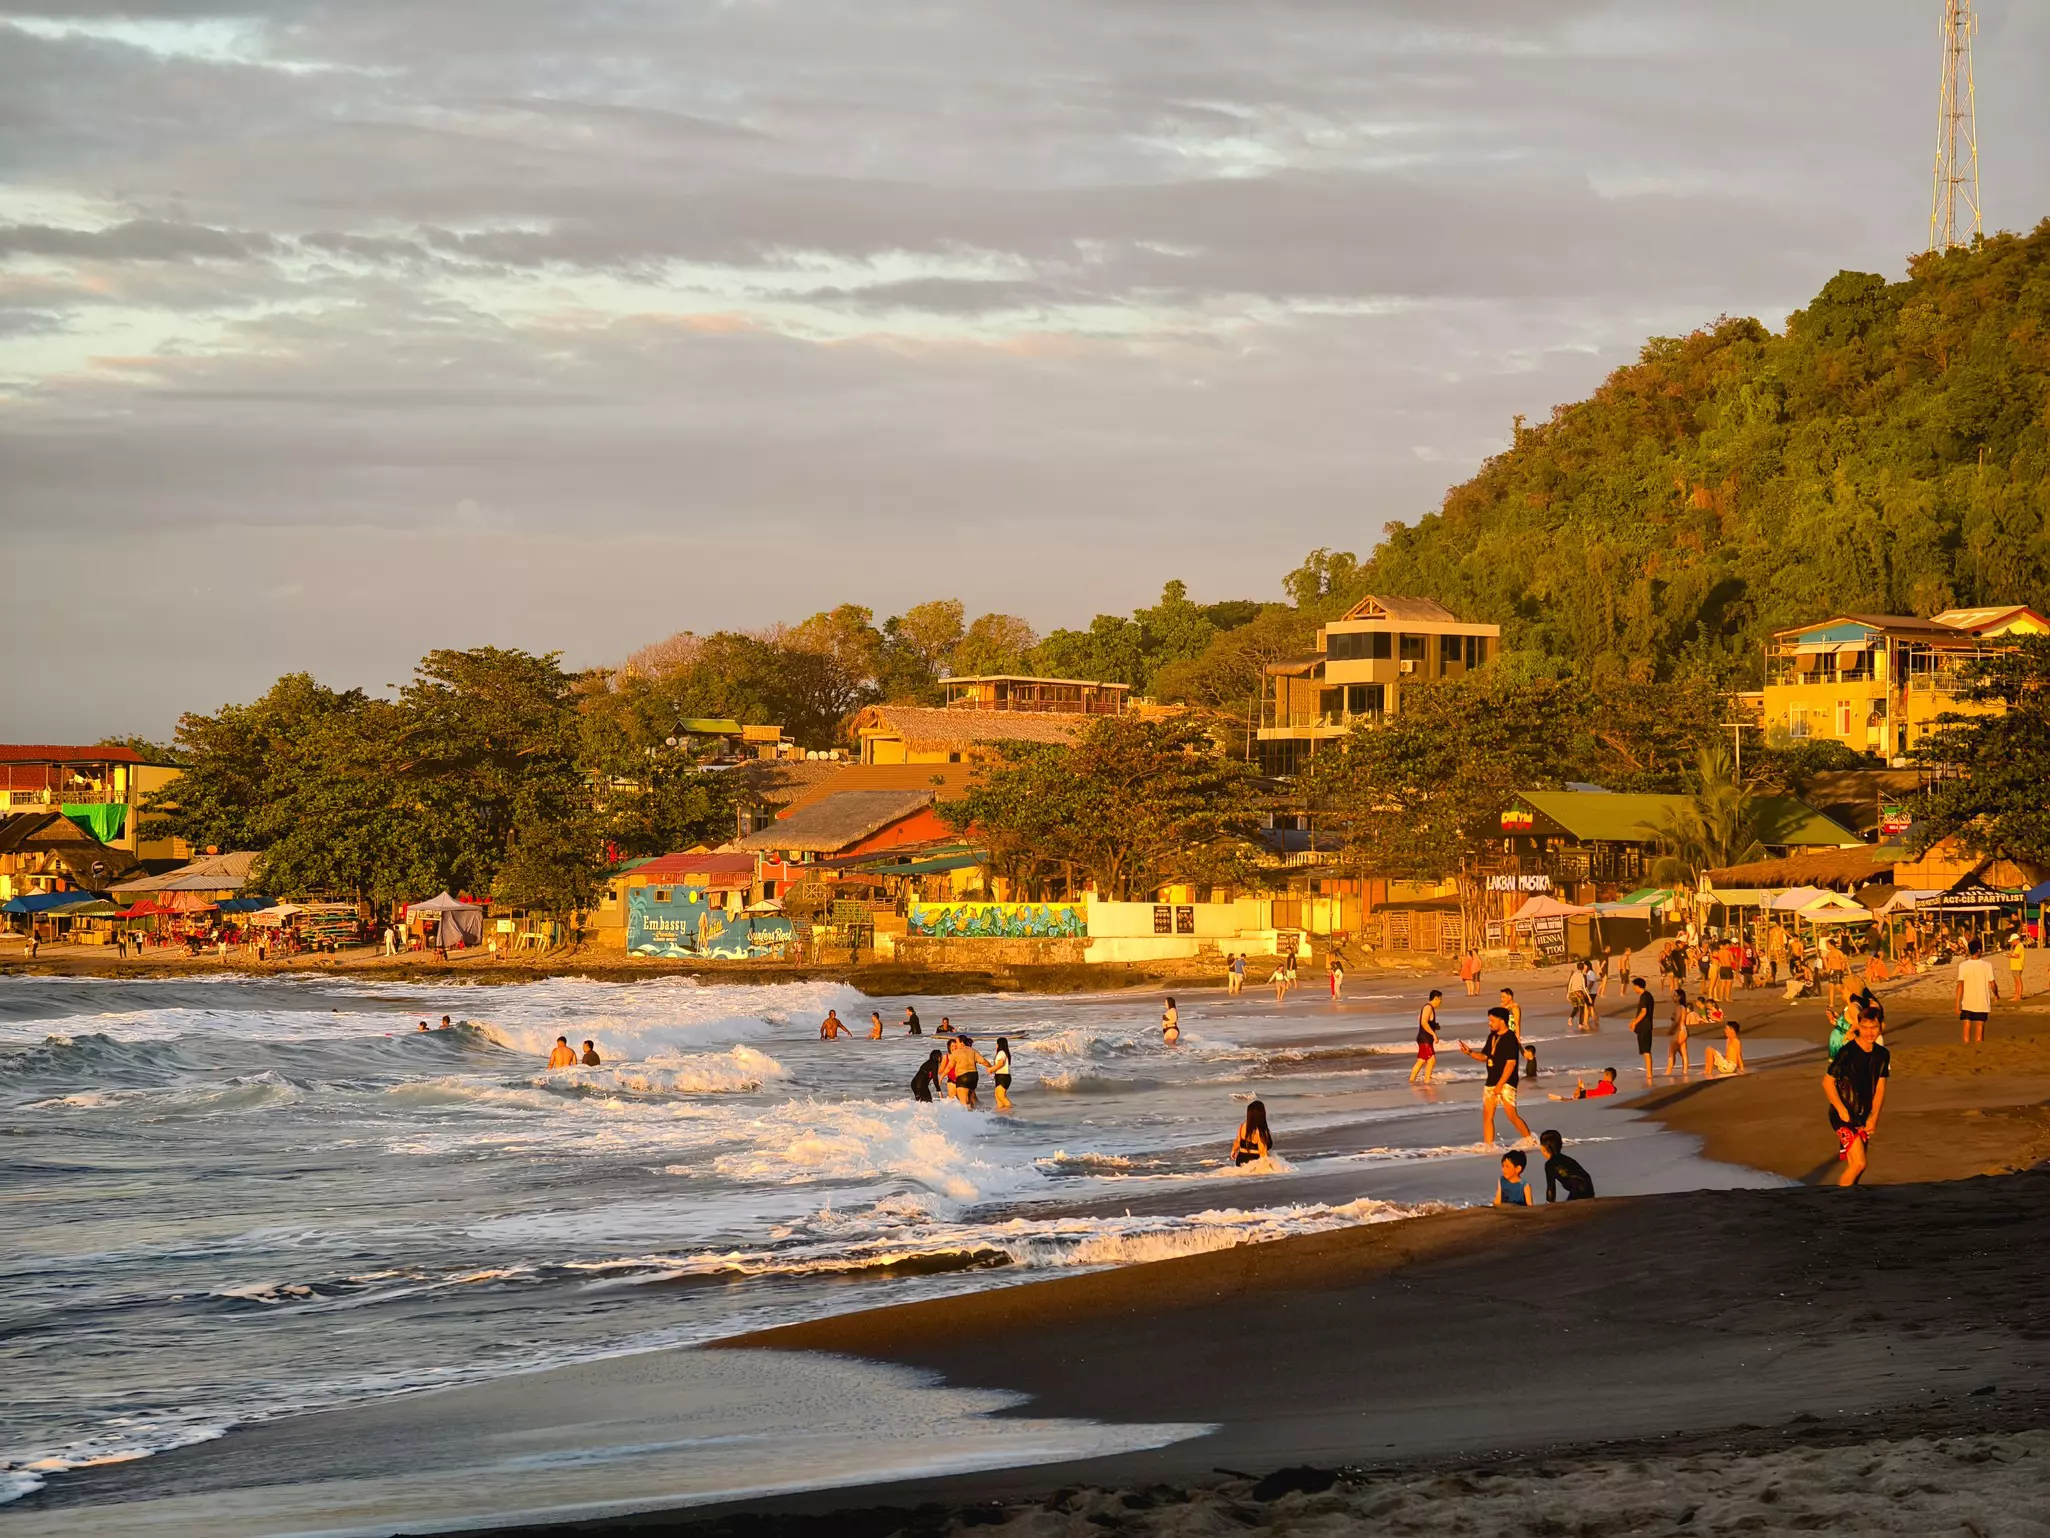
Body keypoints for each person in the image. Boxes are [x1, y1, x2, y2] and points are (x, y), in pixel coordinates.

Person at [1824, 1010, 1890, 1187]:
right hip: (1842, 1114)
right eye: (1864, 1027)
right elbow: (1827, 1082)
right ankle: (1840, 1202)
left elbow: (1880, 1089)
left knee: (1856, 1166)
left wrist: (1874, 1116)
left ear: (1881, 1026)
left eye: (1874, 1027)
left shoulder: (1883, 1054)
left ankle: (1850, 1202)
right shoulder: (1848, 1052)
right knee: (1860, 1163)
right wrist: (1841, 1109)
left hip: (1863, 1115)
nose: (1869, 1032)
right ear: (1858, 1026)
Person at [1459, 1006, 1532, 1148]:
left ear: (1502, 1021)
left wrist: (1500, 1085)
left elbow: (1511, 1065)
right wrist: (1470, 1052)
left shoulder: (1511, 1038)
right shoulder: (1492, 1036)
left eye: (1492, 1020)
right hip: (1491, 1081)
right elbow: (1485, 1056)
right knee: (1487, 1117)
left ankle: (1530, 1139)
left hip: (1506, 1082)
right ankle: (1489, 1146)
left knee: (1511, 1115)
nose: (1489, 1023)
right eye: (1489, 1020)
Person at [1956, 939, 1996, 1045]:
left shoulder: (1963, 965)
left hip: (1967, 1002)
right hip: (1981, 1002)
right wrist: (1996, 994)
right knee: (1979, 1026)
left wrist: (1957, 1004)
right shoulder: (1987, 965)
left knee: (1966, 1025)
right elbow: (1992, 984)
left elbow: (1960, 985)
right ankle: (1978, 1050)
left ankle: (1966, 1048)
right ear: (1978, 950)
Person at [1539, 1130, 1595, 1202]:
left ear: (1543, 1149)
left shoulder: (1550, 1164)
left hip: (1577, 1188)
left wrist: (1549, 1205)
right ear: (1561, 1145)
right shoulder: (1568, 1159)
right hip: (1588, 1187)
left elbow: (1551, 1189)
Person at [948, 1034, 991, 1107]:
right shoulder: (971, 1050)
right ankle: (976, 1113)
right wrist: (991, 1068)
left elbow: (948, 1068)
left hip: (962, 1078)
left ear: (961, 1043)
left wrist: (941, 1077)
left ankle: (966, 1116)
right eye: (952, 1046)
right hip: (972, 1077)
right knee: (970, 1099)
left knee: (965, 1101)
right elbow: (983, 1061)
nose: (955, 1046)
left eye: (956, 1043)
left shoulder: (956, 1053)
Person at [1410, 989, 1442, 1085]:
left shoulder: (1426, 1007)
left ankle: (1412, 1080)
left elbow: (1420, 1019)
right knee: (1431, 1060)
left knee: (1422, 1060)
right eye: (1440, 999)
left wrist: (1434, 1025)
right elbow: (1423, 1022)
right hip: (1425, 1038)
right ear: (1436, 998)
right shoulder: (1428, 1008)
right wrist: (1434, 1034)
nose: (1441, 1002)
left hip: (1423, 1037)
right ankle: (1426, 1081)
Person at [1628, 975, 1656, 1085]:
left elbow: (1644, 1012)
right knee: (1645, 1050)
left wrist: (1634, 1022)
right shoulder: (1647, 995)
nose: (1633, 989)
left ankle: (1649, 1073)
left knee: (1646, 1051)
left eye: (1634, 986)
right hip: (1645, 1026)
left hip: (1645, 1026)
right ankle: (1649, 1073)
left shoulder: (1645, 996)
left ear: (1638, 986)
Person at [1230, 1099, 1274, 1165]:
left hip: (1240, 1160)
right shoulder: (1260, 1131)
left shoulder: (1242, 1126)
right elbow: (1262, 1152)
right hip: (1254, 1161)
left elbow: (1238, 1141)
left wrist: (1233, 1151)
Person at [1666, 986, 1693, 1078]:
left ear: (1680, 997)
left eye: (1675, 995)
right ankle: (1685, 1071)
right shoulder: (1683, 1007)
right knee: (1683, 1051)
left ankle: (1668, 1071)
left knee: (1671, 1051)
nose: (1673, 997)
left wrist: (1670, 1030)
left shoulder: (1679, 1007)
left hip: (1680, 1031)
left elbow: (1677, 1020)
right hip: (1684, 1030)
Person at [1548, 1067, 1619, 1101]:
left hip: (1587, 1094)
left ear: (1607, 1076)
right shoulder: (1613, 1089)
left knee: (1575, 1097)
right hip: (1588, 1094)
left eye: (1604, 1075)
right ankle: (1563, 1097)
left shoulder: (1603, 1083)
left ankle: (1579, 1086)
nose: (1603, 1077)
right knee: (1574, 1098)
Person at [991, 1036, 1014, 1110]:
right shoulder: (1004, 1053)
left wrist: (991, 1069)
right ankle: (1001, 1111)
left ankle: (1011, 1110)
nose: (996, 1045)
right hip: (1001, 1076)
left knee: (1001, 1096)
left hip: (1003, 1076)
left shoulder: (1001, 1052)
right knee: (997, 1096)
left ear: (999, 1044)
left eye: (996, 1044)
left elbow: (1001, 1063)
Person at [2009, 931, 2028, 1003]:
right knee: (2016, 981)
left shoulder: (2019, 946)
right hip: (2015, 966)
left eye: (2013, 941)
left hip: (2017, 966)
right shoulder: (2018, 946)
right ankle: (2017, 995)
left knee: (2018, 981)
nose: (2012, 943)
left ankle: (2018, 996)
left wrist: (2010, 956)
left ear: (2016, 940)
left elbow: (2017, 956)